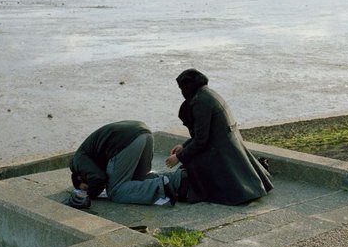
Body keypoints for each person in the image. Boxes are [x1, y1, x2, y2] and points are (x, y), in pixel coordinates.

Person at [164, 69, 273, 205]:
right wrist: (183, 146)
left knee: (188, 172)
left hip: (220, 151)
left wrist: (178, 158)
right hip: (228, 145)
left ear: (187, 87)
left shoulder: (200, 102)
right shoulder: (208, 93)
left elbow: (201, 140)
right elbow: (204, 134)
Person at [68, 120, 182, 208]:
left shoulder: (78, 161)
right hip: (144, 133)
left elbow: (98, 178)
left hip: (126, 141)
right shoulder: (88, 154)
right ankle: (177, 178)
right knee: (137, 180)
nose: (88, 188)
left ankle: (160, 186)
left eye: (85, 187)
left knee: (116, 191)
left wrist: (89, 195)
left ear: (80, 177)